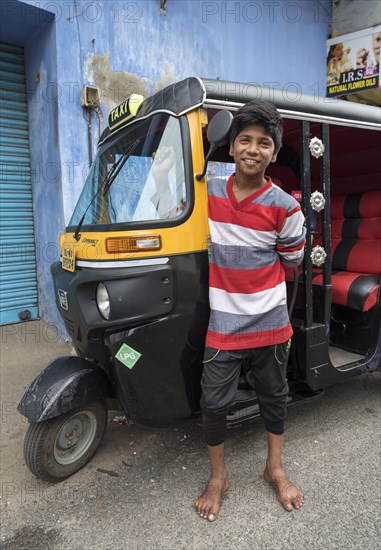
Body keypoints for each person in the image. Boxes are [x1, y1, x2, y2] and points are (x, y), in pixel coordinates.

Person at [195, 100, 306, 522]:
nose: (253, 149)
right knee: (213, 401)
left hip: (271, 322)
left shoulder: (286, 207)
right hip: (223, 323)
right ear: (232, 146)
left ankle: (274, 467)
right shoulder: (207, 194)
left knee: (274, 397)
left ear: (274, 153)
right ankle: (218, 477)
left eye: (264, 143)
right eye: (245, 139)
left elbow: (293, 258)